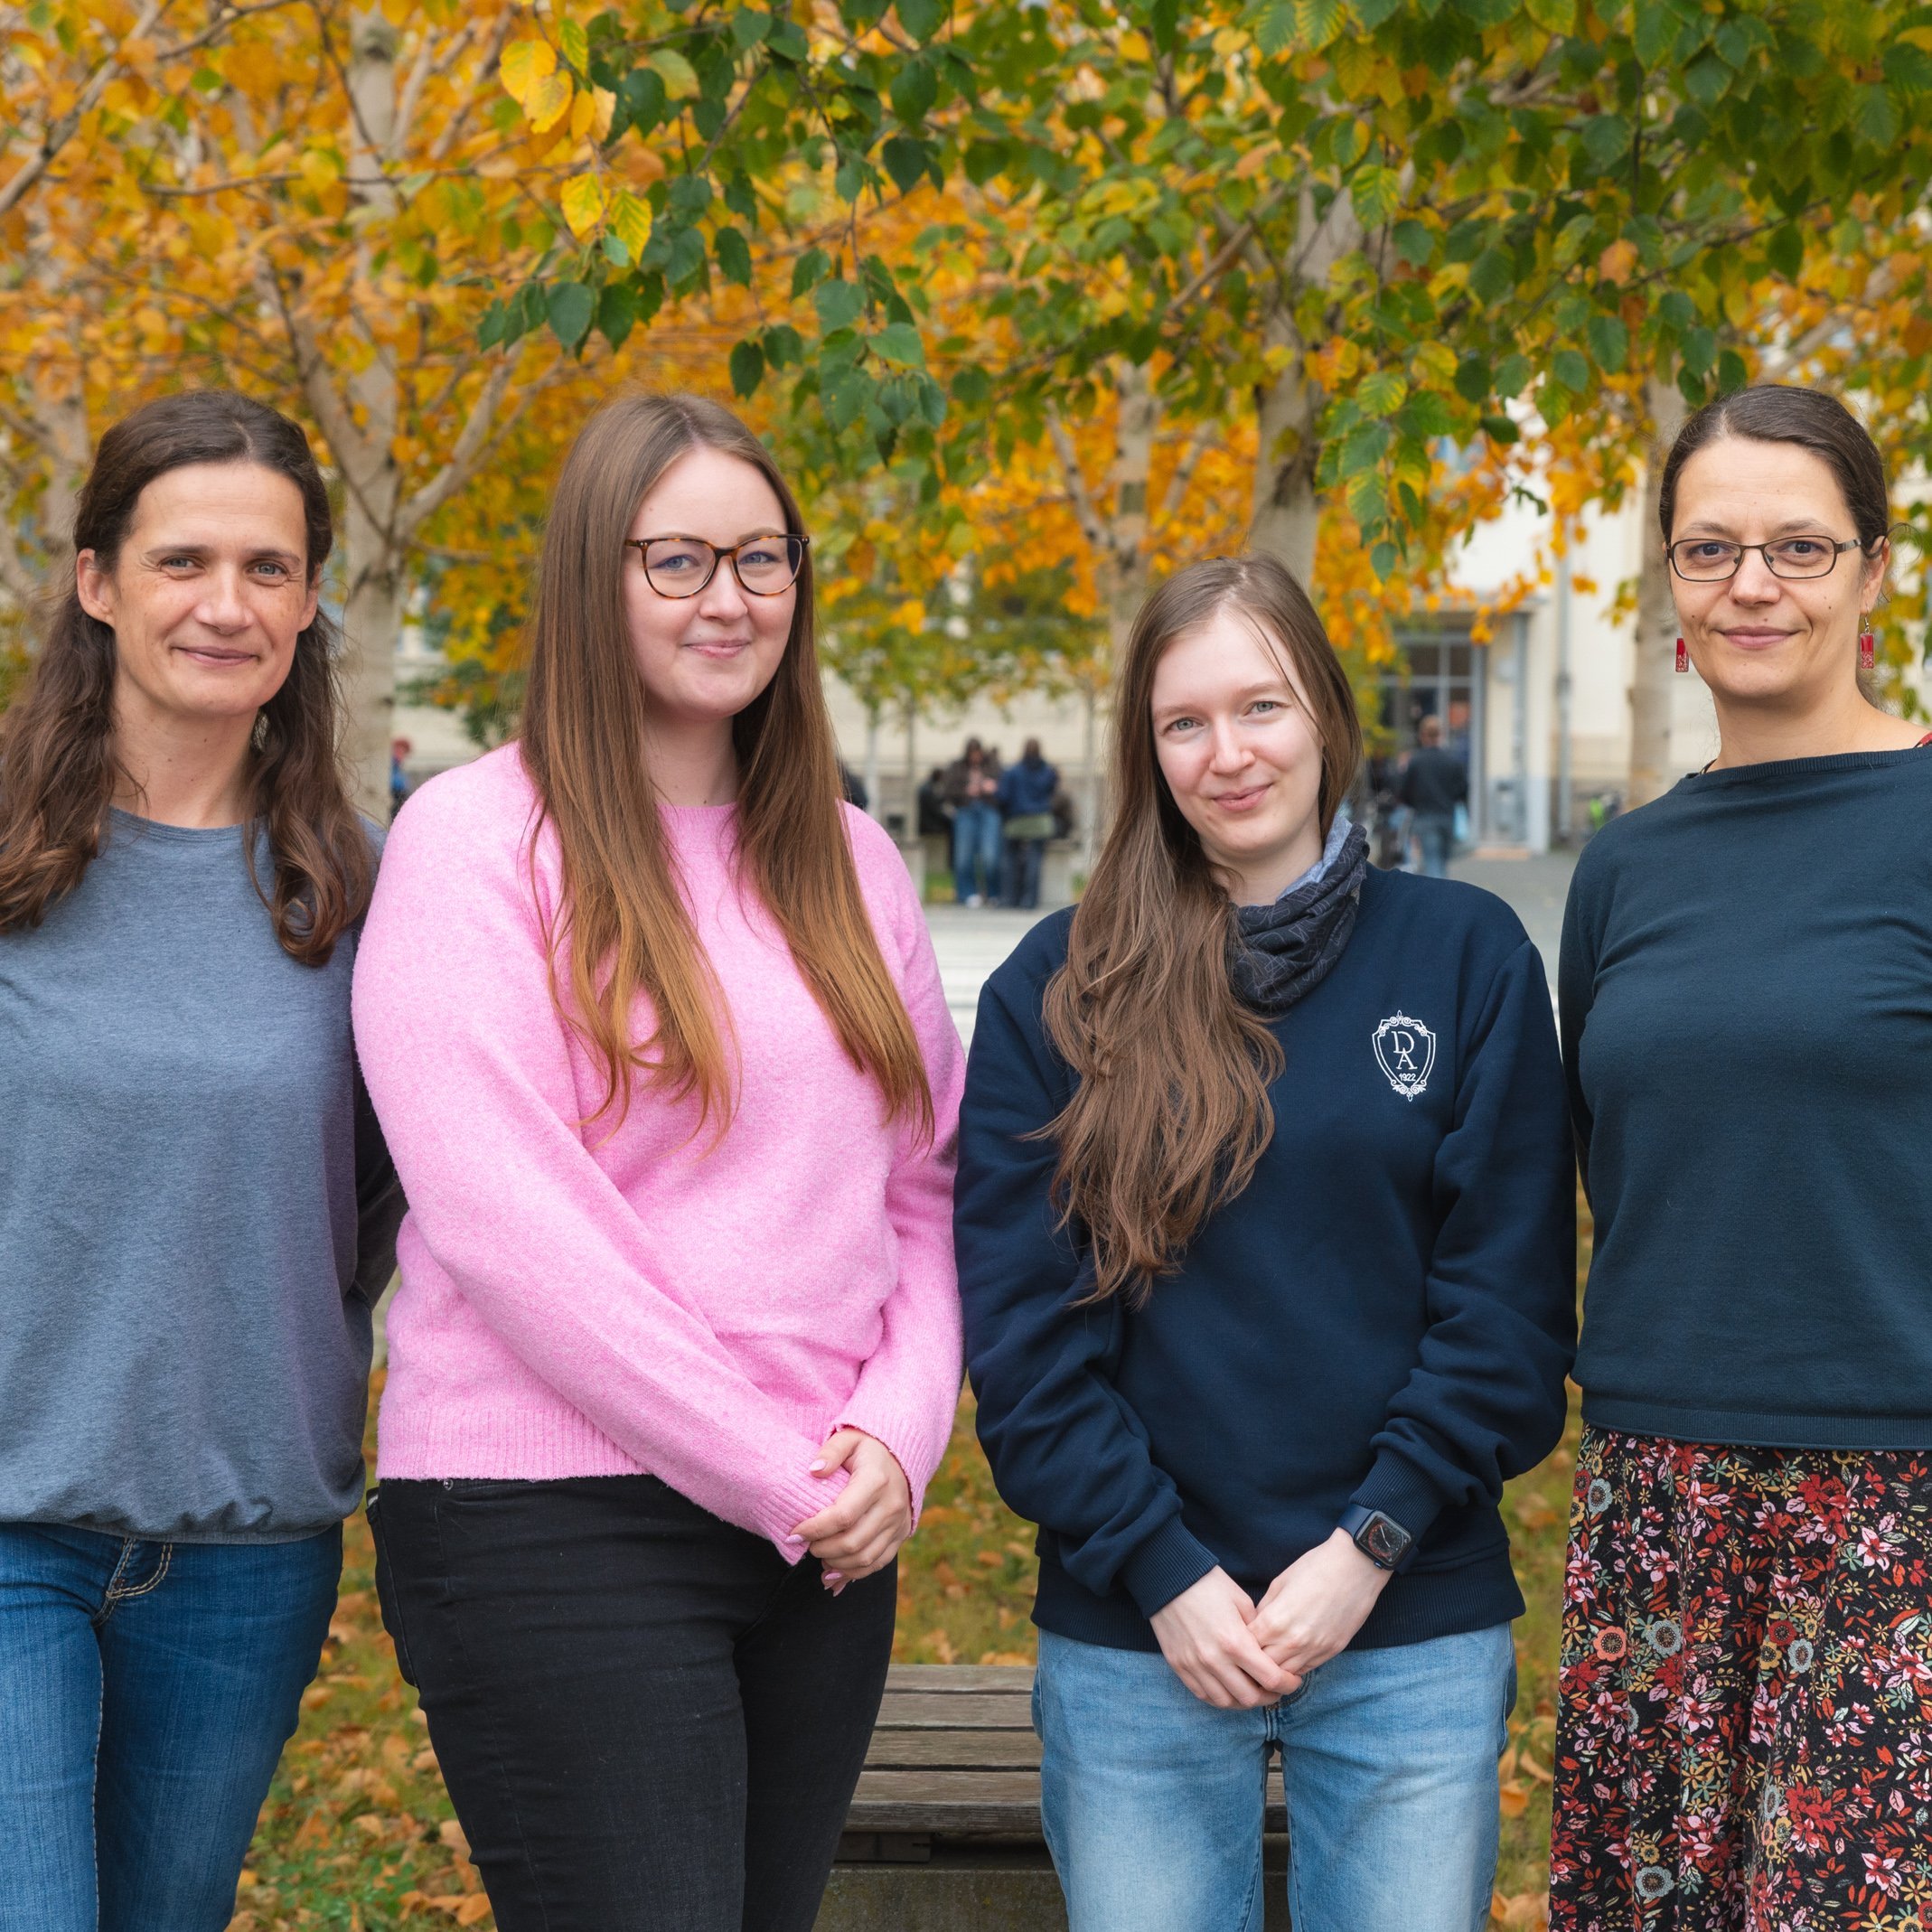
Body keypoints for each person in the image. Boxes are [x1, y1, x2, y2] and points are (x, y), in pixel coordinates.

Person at [352, 392, 964, 1932]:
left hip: (818, 1534)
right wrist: (773, 1468)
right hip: (551, 1508)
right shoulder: (475, 840)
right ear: (592, 576)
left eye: (761, 557)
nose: (729, 596)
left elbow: (926, 1186)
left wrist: (896, 1438)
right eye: (678, 557)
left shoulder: (848, 855)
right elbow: (508, 1224)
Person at [955, 555, 1576, 1932]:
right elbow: (1023, 1342)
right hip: (1141, 1635)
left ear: (1328, 720)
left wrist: (1367, 1541)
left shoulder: (1464, 957)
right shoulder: (1056, 993)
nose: (1227, 753)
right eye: (1185, 722)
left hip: (1408, 1614)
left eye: (1263, 706)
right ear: (1145, 747)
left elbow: (1510, 1312)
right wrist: (1164, 1569)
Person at [0, 390, 402, 1932]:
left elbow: (372, 1198)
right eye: (182, 560)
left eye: (267, 568)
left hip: (247, 1546)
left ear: (308, 607)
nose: (224, 605)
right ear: (96, 579)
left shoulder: (363, 895)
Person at [1552, 384, 1932, 1930]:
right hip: (1656, 1490)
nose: (1751, 584)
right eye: (1709, 548)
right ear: (1666, 578)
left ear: (1873, 569)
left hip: (1891, 1498)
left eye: (1796, 545)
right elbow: (1604, 1153)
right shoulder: (1626, 862)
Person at [1396, 715, 1467, 877]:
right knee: (1441, 861)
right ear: (1440, 734)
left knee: (1432, 861)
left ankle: (1439, 898)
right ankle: (1442, 895)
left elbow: (1403, 790)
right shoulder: (1452, 761)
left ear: (1422, 735)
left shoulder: (1416, 761)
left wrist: (1414, 803)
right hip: (1447, 817)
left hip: (1425, 817)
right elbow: (1463, 789)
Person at [997, 736, 1059, 909]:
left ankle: (1009, 898)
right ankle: (1029, 900)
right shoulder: (1048, 771)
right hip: (1040, 821)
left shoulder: (1013, 771)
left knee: (1010, 860)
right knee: (1034, 860)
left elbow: (1003, 796)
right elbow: (1053, 792)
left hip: (1016, 820)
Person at [944, 736, 1002, 905]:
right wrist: (966, 790)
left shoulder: (993, 765)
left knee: (990, 855)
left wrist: (990, 788)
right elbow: (947, 791)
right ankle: (967, 892)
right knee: (963, 855)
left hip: (988, 809)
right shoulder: (957, 767)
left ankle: (993, 892)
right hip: (965, 810)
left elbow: (1005, 790)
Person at [916, 764, 953, 839]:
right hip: (934, 829)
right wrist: (951, 819)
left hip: (928, 828)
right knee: (936, 849)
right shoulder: (931, 791)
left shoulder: (926, 788)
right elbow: (936, 810)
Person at [389, 735, 413, 821]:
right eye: (398, 750)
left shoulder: (398, 766)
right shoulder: (392, 763)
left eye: (403, 752)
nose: (401, 754)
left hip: (400, 796)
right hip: (395, 794)